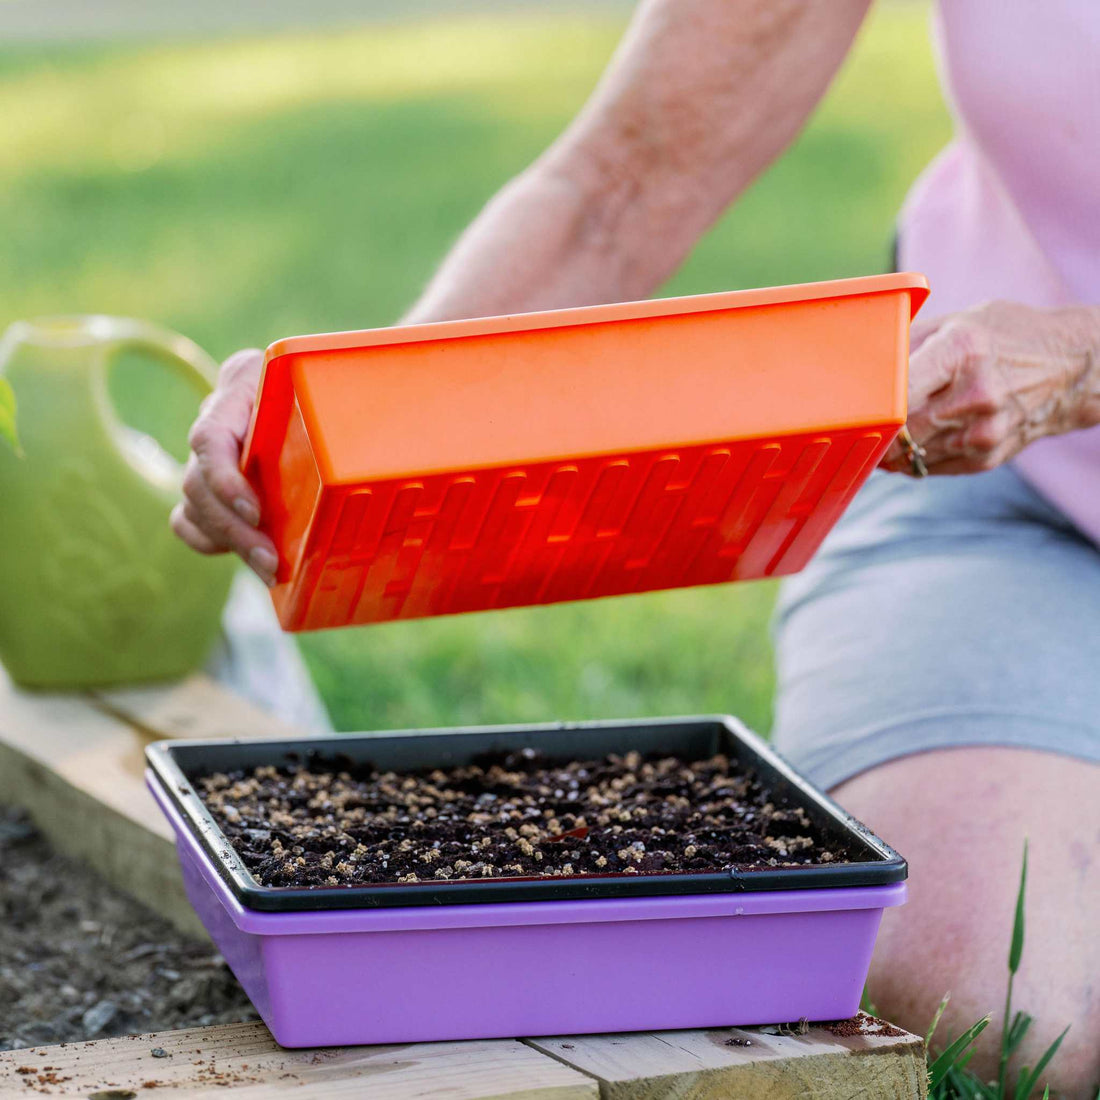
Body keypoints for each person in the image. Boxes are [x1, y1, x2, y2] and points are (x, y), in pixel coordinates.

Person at [173, 1, 1100, 1091]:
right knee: (990, 1004)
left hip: (1053, 394)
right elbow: (622, 179)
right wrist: (350, 423)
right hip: (1003, 487)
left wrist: (1077, 364)